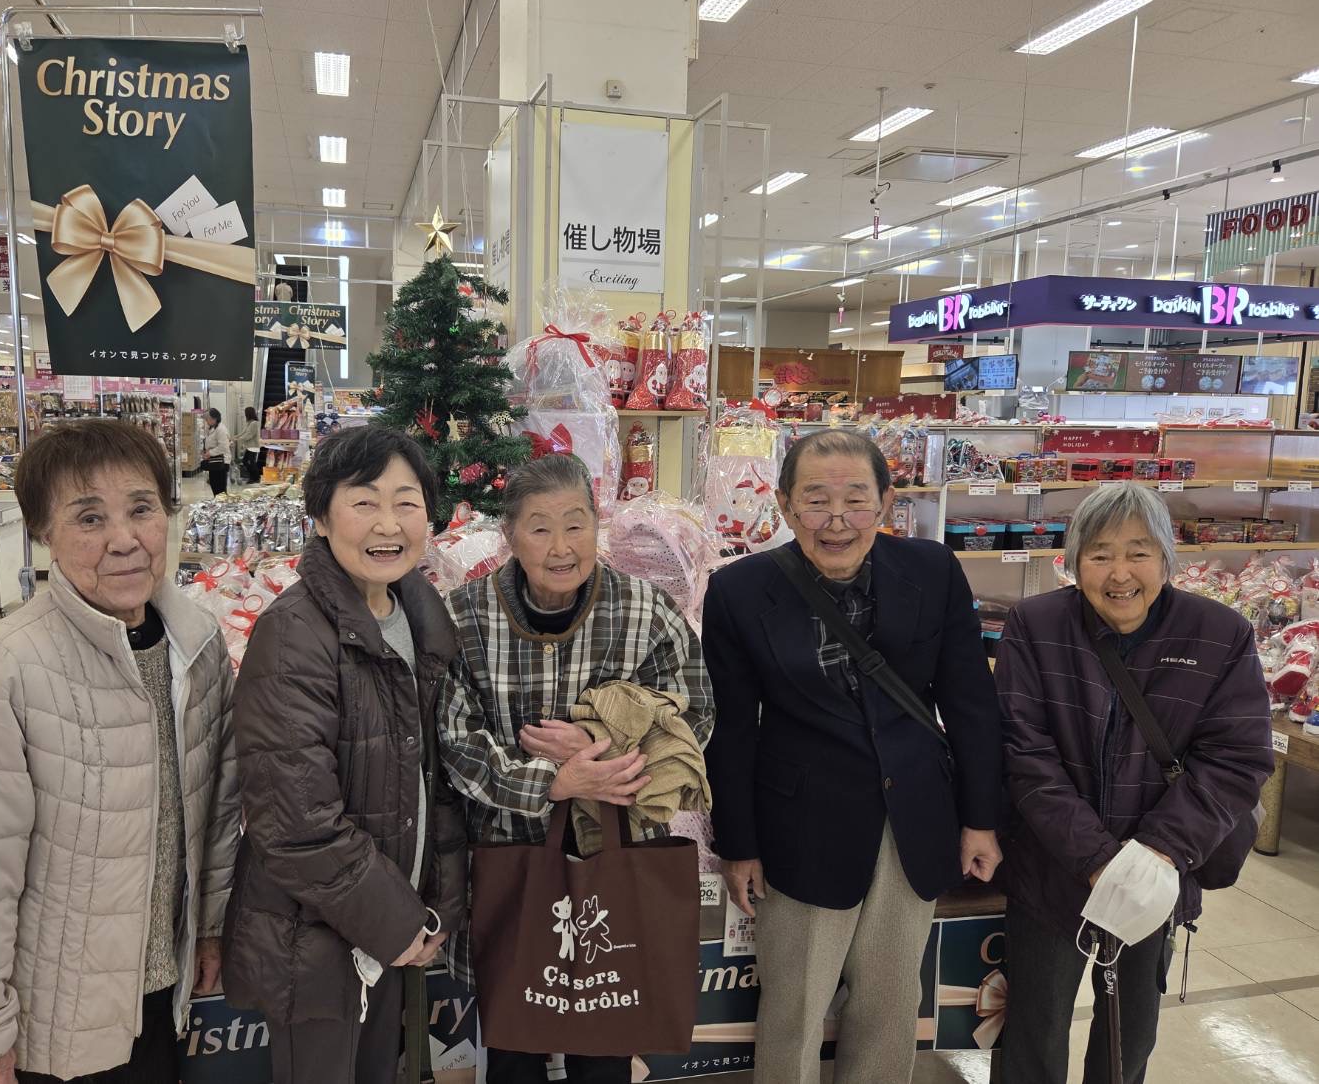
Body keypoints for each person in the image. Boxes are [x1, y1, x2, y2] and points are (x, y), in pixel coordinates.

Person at [0, 420, 241, 1084]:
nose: (124, 540)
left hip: (159, 1001)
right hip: (51, 1028)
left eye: (141, 509)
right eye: (89, 518)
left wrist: (209, 927)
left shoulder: (197, 647)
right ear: (42, 533)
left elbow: (215, 814)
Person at [702, 429, 1003, 1084]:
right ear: (785, 507)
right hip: (800, 824)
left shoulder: (932, 570)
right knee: (795, 1007)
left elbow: (970, 702)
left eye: (856, 500)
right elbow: (732, 729)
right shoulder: (739, 591)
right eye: (815, 501)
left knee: (890, 1003)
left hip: (913, 815)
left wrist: (980, 818)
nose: (836, 521)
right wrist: (738, 845)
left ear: (887, 502)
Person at [437, 453, 714, 1084]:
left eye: (575, 524)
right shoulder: (466, 616)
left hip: (617, 857)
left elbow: (695, 716)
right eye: (540, 527)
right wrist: (552, 783)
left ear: (597, 524)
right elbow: (454, 742)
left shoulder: (646, 611)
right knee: (513, 1038)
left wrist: (604, 747)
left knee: (606, 1039)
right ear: (509, 535)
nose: (561, 547)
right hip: (507, 860)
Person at [995, 482, 1274, 1083]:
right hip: (1052, 871)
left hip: (1157, 880)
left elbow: (1237, 758)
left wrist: (1156, 853)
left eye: (1138, 552)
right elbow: (1024, 751)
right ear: (1073, 563)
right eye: (1099, 554)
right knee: (1033, 1031)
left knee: (1129, 1038)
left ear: (1167, 558)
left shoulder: (1219, 633)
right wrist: (1097, 859)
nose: (1119, 573)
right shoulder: (1036, 624)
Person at [222, 426, 467, 1084]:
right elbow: (295, 822)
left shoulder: (420, 617)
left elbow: (433, 779)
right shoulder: (294, 635)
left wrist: (433, 908)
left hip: (390, 925)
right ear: (322, 518)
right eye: (363, 502)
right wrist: (398, 921)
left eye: (406, 502)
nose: (388, 524)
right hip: (316, 940)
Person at [203, 407, 232, 495]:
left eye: (208, 419)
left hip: (221, 462)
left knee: (220, 488)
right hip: (214, 461)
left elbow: (223, 446)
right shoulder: (211, 428)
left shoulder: (221, 429)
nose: (206, 421)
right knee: (214, 484)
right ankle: (217, 501)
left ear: (214, 418)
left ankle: (221, 502)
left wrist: (210, 453)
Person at [235, 405, 262, 483]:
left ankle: (255, 478)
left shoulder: (254, 423)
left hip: (253, 446)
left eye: (245, 413)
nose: (245, 415)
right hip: (249, 446)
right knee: (245, 461)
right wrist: (235, 437)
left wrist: (239, 439)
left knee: (251, 463)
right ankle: (253, 477)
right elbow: (243, 432)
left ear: (248, 414)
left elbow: (249, 435)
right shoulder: (249, 423)